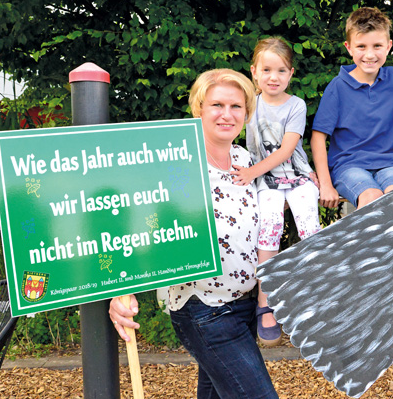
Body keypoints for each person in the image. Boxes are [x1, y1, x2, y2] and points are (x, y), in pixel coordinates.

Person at [109, 68, 278, 399]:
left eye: (236, 107)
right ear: (199, 108)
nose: (227, 115)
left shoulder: (244, 159)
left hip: (243, 305)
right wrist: (120, 292)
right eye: (217, 105)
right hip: (205, 309)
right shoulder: (176, 164)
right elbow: (137, 225)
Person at [231, 37, 321, 346]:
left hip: (295, 176)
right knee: (268, 229)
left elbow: (287, 150)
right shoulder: (249, 104)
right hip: (264, 181)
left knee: (310, 230)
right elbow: (225, 128)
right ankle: (264, 301)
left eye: (281, 71)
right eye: (267, 70)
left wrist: (250, 172)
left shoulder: (296, 105)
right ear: (254, 72)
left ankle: (311, 302)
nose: (273, 77)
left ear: (291, 74)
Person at [311, 7, 393, 210]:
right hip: (349, 166)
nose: (369, 54)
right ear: (349, 48)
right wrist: (326, 184)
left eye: (377, 46)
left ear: (388, 46)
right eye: (361, 46)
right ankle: (364, 242)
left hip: (390, 165)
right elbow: (318, 137)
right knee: (372, 197)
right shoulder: (338, 87)